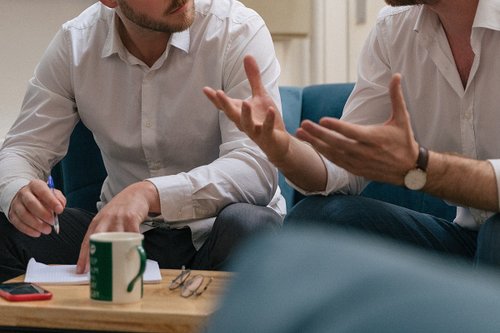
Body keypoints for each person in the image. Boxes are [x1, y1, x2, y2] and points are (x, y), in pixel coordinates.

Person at [0, 0, 285, 282]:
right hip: (123, 238)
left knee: (250, 225)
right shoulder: (75, 43)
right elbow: (22, 149)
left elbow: (257, 167)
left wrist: (149, 193)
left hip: (219, 232)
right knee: (6, 230)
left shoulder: (237, 30)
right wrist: (19, 192)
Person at [204, 0, 500, 266]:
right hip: (465, 238)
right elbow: (344, 169)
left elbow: (415, 166)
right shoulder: (393, 29)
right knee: (317, 220)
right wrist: (283, 149)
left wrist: (419, 166)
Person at [205, 226, 500, 333]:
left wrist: (425, 166)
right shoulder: (397, 81)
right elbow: (335, 171)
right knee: (318, 214)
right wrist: (286, 152)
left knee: (495, 233)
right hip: (460, 227)